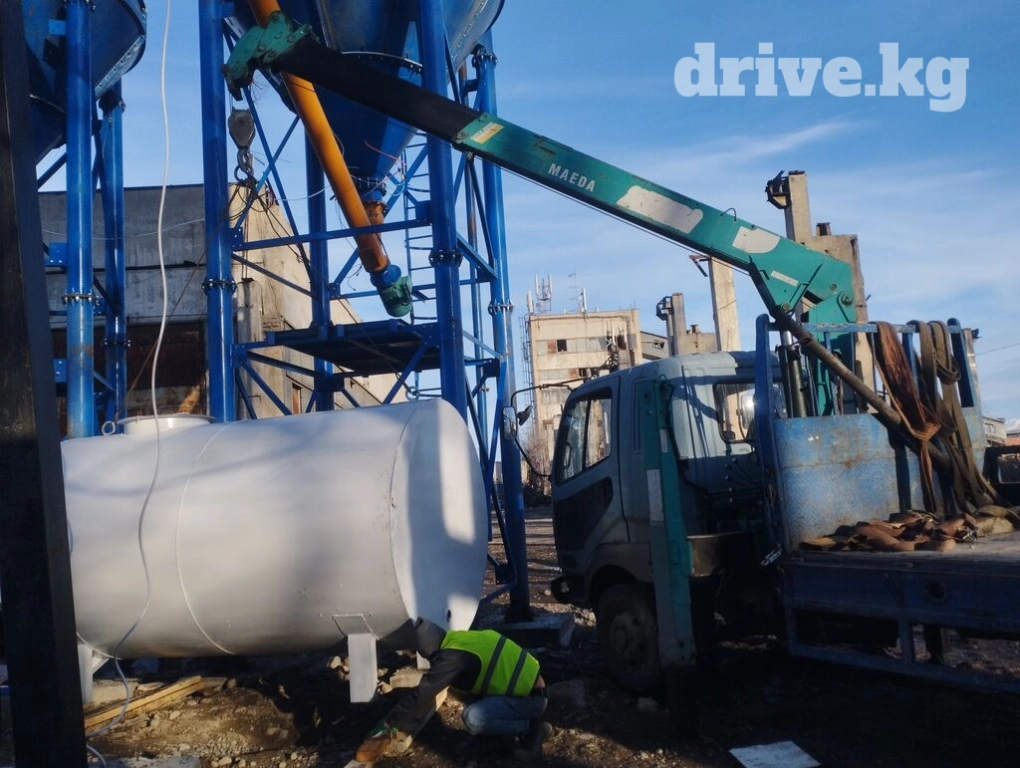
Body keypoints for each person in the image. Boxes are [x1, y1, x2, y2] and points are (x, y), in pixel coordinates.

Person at [355, 617, 552, 763]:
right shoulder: (458, 639)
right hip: (527, 690)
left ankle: (531, 728)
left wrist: (391, 723)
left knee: (473, 718)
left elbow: (424, 692)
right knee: (459, 687)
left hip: (531, 701)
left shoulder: (452, 658)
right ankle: (489, 738)